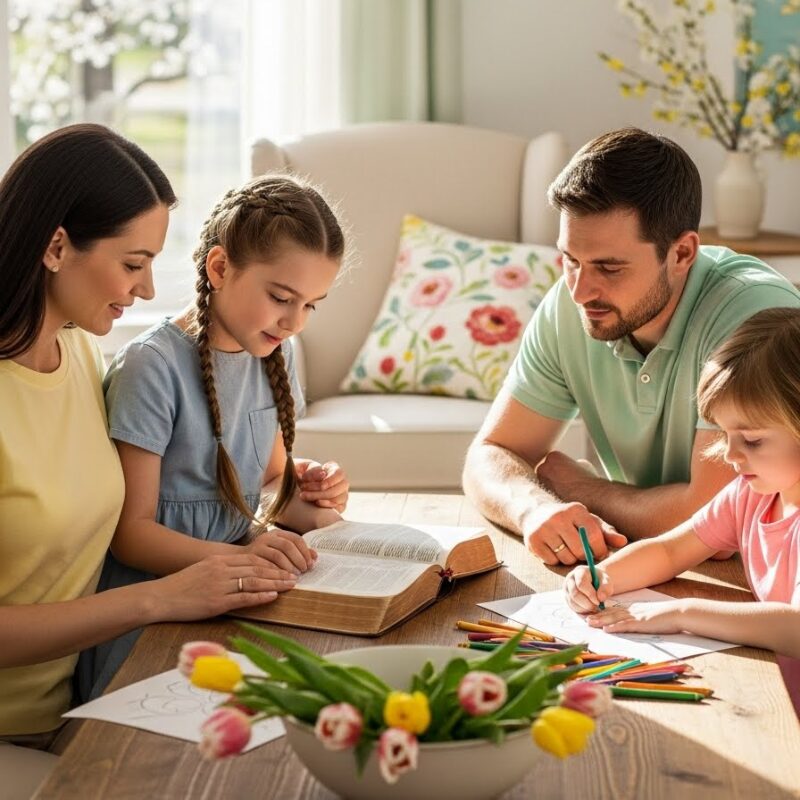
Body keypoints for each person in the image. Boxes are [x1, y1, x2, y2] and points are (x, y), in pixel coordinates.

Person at [0, 124, 296, 799]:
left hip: (84, 698)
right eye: (133, 263)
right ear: (55, 247)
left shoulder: (79, 354)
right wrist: (161, 596)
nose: (146, 286)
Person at [463, 127, 800, 566]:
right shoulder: (570, 306)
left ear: (681, 253)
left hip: (763, 577)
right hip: (646, 566)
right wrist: (537, 509)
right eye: (570, 260)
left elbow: (715, 522)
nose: (581, 290)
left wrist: (581, 490)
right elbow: (490, 455)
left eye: (609, 266)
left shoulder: (755, 319)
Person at [78, 174, 350, 700]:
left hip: (236, 593)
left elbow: (269, 483)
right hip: (155, 612)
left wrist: (315, 507)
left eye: (311, 305)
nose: (294, 322)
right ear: (220, 268)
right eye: (280, 297)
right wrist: (245, 558)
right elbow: (130, 533)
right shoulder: (151, 367)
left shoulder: (275, 353)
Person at [564, 307, 800, 715]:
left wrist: (681, 612)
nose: (730, 454)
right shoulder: (753, 493)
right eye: (725, 433)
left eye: (753, 440)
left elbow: (794, 627)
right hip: (773, 691)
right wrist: (603, 577)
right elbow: (672, 551)